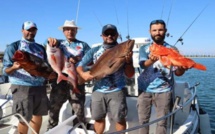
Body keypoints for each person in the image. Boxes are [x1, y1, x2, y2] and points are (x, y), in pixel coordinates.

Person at [76, 24, 135, 134]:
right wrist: (83, 75)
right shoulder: (94, 50)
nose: (109, 36)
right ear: (102, 35)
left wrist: (128, 61)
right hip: (98, 91)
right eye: (106, 34)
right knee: (98, 118)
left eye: (112, 33)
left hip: (117, 90)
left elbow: (130, 74)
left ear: (117, 35)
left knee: (120, 119)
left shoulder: (122, 51)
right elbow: (80, 65)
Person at [137, 19, 187, 134]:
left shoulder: (172, 50)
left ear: (165, 31)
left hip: (164, 91)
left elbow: (178, 73)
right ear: (150, 31)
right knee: (143, 121)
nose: (157, 32)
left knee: (162, 122)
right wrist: (151, 60)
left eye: (160, 30)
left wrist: (182, 68)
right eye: (154, 30)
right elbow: (143, 65)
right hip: (144, 90)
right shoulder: (144, 48)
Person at [2, 21, 50, 134]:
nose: (31, 32)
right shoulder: (13, 47)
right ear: (22, 30)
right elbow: (6, 71)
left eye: (33, 30)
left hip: (40, 86)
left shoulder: (40, 48)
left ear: (36, 31)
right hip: (22, 87)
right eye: (28, 30)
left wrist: (50, 75)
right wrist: (13, 68)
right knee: (24, 118)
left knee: (38, 114)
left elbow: (45, 66)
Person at [46, 20, 91, 130]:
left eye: (72, 29)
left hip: (76, 81)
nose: (70, 32)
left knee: (79, 111)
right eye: (67, 29)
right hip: (59, 83)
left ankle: (80, 130)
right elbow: (47, 45)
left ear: (76, 31)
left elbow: (91, 60)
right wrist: (50, 41)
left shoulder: (83, 45)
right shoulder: (59, 43)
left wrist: (79, 59)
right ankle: (51, 131)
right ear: (63, 31)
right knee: (53, 109)